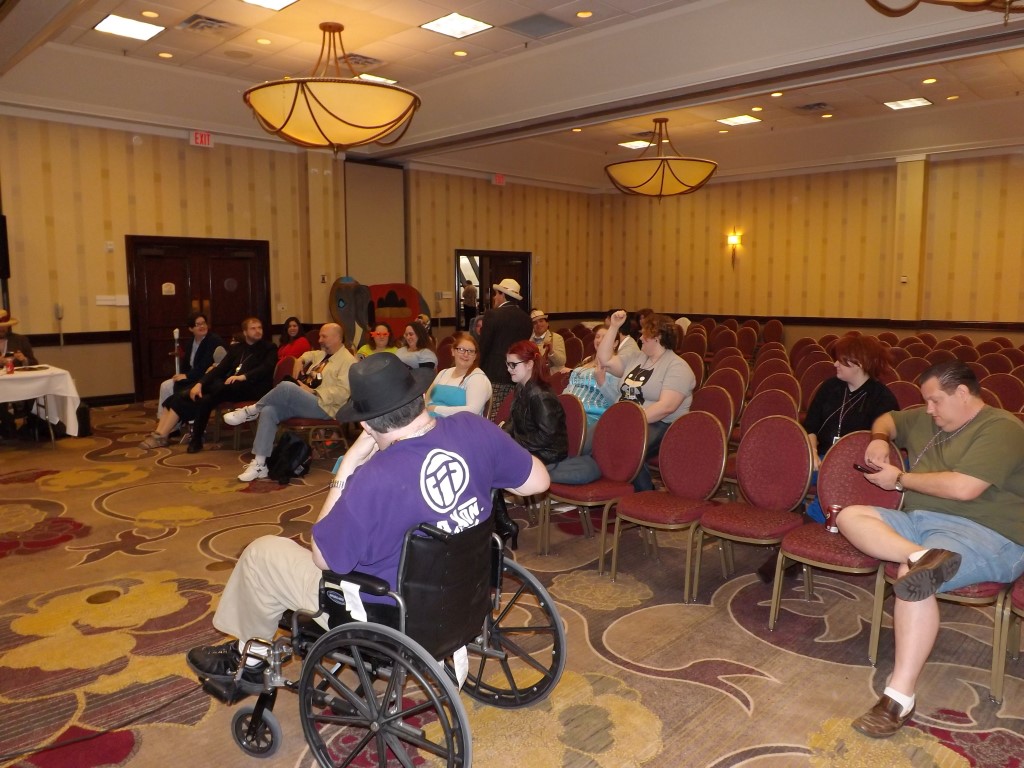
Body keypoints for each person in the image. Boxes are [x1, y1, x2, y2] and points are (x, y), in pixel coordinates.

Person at [185, 352, 549, 685]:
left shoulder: (373, 477)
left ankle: (250, 658)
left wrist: (346, 469)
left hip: (390, 610)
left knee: (262, 554)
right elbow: (538, 481)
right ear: (420, 396)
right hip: (465, 593)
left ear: (367, 425)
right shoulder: (474, 428)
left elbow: (324, 558)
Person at [837, 361, 1024, 739]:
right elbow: (889, 419)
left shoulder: (1002, 428)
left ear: (962, 393)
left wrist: (900, 479)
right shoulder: (929, 418)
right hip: (920, 524)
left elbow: (964, 488)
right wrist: (879, 438)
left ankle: (898, 697)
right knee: (850, 516)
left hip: (989, 535)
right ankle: (921, 554)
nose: (928, 410)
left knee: (915, 579)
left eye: (935, 401)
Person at [223, 323, 355, 482]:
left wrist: (313, 391)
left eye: (323, 336)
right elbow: (309, 355)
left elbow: (343, 392)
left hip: (327, 407)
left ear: (337, 338)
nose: (319, 339)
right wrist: (301, 359)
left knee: (287, 386)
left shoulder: (348, 361)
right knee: (269, 411)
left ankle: (250, 411)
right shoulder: (323, 354)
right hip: (310, 403)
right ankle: (260, 464)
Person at [140, 317, 276, 453]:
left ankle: (190, 431)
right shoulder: (237, 349)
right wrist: (200, 383)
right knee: (204, 399)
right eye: (253, 328)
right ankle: (193, 440)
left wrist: (243, 377)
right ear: (245, 332)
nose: (258, 331)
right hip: (230, 388)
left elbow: (266, 368)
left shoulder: (269, 347)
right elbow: (219, 369)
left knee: (209, 391)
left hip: (254, 388)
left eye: (259, 328)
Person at [802, 334, 900, 521]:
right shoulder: (829, 387)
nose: (835, 364)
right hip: (821, 457)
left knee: (833, 477)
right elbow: (810, 426)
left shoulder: (882, 398)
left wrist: (836, 461)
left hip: (854, 464)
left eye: (841, 361)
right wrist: (812, 452)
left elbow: (882, 444)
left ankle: (815, 520)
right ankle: (784, 513)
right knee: (790, 468)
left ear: (859, 363)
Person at [597, 310, 696, 491]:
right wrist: (614, 327)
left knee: (627, 445)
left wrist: (630, 421)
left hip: (661, 424)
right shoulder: (637, 358)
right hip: (627, 419)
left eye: (645, 335)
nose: (640, 338)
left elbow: (666, 407)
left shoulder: (678, 366)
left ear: (657, 337)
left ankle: (644, 493)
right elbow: (603, 359)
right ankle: (615, 490)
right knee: (597, 441)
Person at [561, 324, 621, 453]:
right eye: (597, 336)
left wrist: (602, 382)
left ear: (615, 343)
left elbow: (616, 402)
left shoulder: (617, 367)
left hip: (591, 417)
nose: (599, 340)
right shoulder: (588, 360)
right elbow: (570, 386)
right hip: (569, 411)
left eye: (605, 337)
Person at [156, 312, 226, 422]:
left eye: (203, 323)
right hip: (193, 376)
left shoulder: (213, 340)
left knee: (177, 389)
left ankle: (178, 419)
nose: (202, 326)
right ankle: (164, 421)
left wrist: (187, 376)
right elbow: (186, 364)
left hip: (205, 379)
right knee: (165, 386)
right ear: (190, 328)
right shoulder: (190, 342)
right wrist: (181, 375)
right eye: (198, 324)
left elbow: (205, 365)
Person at [480, 278, 532, 420]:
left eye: (496, 294)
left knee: (492, 415)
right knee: (510, 415)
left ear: (502, 294)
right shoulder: (526, 319)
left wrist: (477, 370)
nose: (494, 297)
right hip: (518, 374)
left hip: (494, 374)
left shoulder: (493, 315)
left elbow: (484, 346)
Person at [425, 332, 492, 418]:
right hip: (431, 420)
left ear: (475, 356)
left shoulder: (478, 378)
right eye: (461, 349)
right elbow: (427, 399)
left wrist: (436, 409)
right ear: (453, 351)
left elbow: (472, 411)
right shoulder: (443, 373)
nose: (466, 354)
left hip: (461, 423)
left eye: (471, 351)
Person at [0, 308, 38, 437]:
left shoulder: (20, 340)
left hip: (19, 384)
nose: (2, 329)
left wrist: (24, 360)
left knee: (34, 392)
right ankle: (8, 424)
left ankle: (29, 424)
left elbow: (35, 363)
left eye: (4, 326)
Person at [529, 309, 566, 374]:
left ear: (547, 323)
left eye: (541, 321)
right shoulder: (528, 340)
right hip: (534, 375)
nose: (538, 324)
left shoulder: (556, 338)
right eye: (535, 323)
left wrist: (551, 352)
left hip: (552, 375)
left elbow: (562, 362)